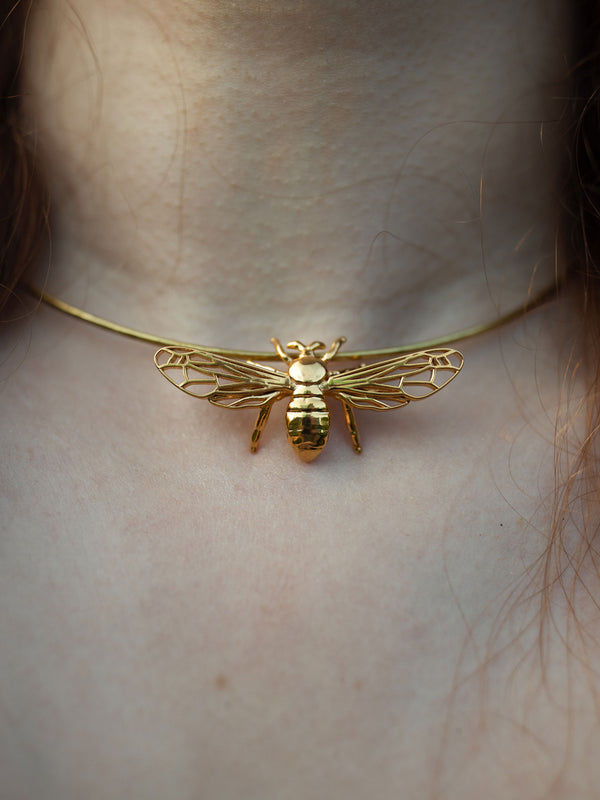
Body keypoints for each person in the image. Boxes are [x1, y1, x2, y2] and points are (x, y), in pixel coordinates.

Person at [1, 0, 598, 796]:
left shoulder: (279, 387)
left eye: (308, 377)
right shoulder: (341, 387)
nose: (306, 380)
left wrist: (266, 426)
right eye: (302, 378)